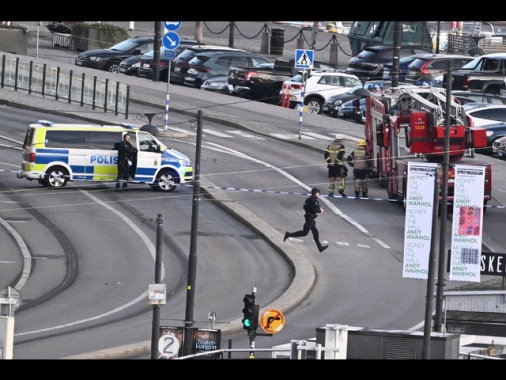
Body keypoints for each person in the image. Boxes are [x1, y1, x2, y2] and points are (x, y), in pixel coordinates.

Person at [283, 188, 329, 253]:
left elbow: (304, 207)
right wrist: (320, 211)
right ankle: (289, 234)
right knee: (305, 232)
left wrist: (316, 209)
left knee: (315, 232)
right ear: (315, 193)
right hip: (310, 218)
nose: (319, 194)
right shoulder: (313, 200)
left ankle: (320, 247)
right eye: (318, 193)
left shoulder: (310, 200)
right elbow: (313, 209)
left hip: (310, 218)